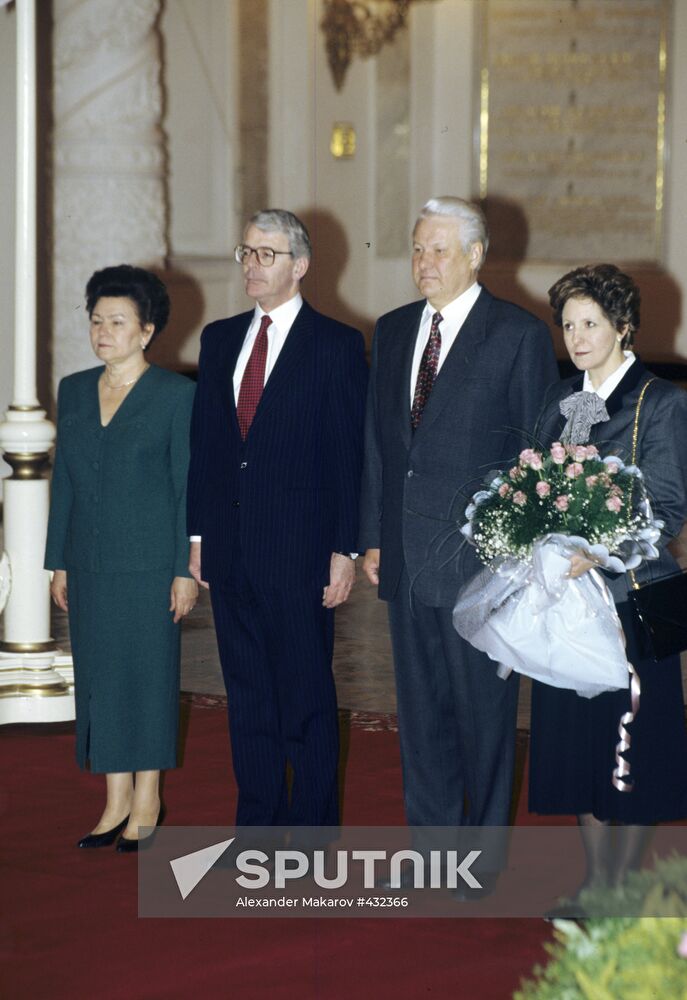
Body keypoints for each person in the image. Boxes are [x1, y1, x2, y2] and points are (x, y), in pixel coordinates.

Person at [360, 196, 558, 837]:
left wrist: (518, 555)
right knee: (420, 714)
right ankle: (433, 844)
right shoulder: (391, 330)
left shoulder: (517, 335)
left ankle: (482, 855)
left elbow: (534, 454)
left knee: (483, 714)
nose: (424, 262)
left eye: (439, 249)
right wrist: (372, 538)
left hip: (481, 562)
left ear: (475, 256)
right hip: (406, 556)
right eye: (418, 248)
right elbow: (377, 446)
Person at [186, 209, 367, 827]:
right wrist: (199, 536)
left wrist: (345, 548)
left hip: (300, 553)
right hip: (232, 551)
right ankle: (257, 824)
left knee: (307, 698)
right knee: (248, 698)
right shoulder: (218, 339)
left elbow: (348, 457)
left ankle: (313, 830)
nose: (252, 267)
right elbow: (208, 449)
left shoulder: (337, 345)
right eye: (246, 253)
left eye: (267, 255)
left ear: (301, 266)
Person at [529, 263, 687, 902]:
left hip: (631, 604)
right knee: (577, 743)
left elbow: (670, 507)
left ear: (624, 326)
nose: (576, 336)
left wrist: (597, 553)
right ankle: (596, 884)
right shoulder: (558, 399)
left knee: (632, 747)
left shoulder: (662, 400)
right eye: (568, 324)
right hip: (565, 607)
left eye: (590, 323)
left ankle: (620, 889)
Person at [45, 265, 197, 852]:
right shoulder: (75, 389)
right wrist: (58, 560)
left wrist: (184, 568)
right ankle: (112, 800)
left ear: (146, 331)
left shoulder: (176, 396)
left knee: (146, 677)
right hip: (88, 561)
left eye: (117, 322)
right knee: (101, 679)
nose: (103, 331)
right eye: (96, 321)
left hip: (151, 563)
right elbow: (66, 482)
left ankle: (148, 798)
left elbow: (186, 487)